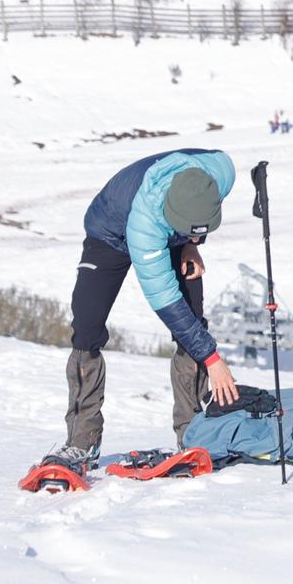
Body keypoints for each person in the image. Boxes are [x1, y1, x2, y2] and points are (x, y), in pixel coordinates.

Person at [42, 150, 240, 473]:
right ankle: (82, 441)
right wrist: (212, 358)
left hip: (172, 223)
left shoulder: (219, 175)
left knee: (193, 322)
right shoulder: (144, 226)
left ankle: (193, 433)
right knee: (87, 326)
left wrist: (191, 242)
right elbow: (168, 304)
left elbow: (200, 205)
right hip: (111, 233)